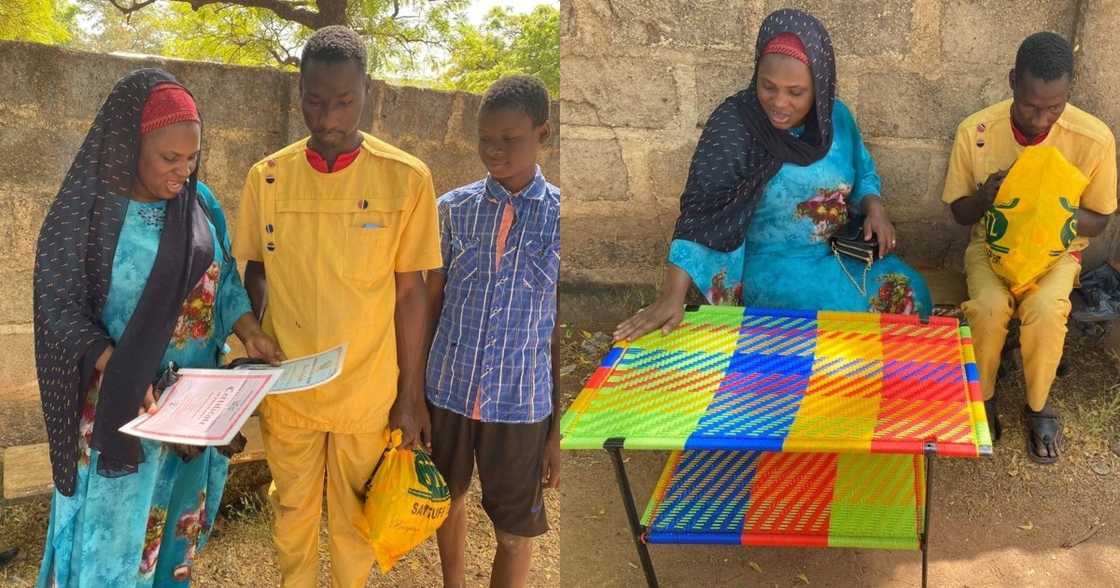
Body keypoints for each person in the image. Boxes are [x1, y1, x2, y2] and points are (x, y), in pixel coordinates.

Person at [32, 69, 281, 587]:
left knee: (170, 545)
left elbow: (224, 278)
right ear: (130, 145)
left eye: (191, 158)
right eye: (170, 159)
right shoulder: (91, 213)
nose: (182, 172)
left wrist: (250, 331)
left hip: (192, 412)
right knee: (113, 554)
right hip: (124, 411)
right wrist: (120, 367)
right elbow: (59, 309)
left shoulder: (200, 204)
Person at [232, 26, 441, 587]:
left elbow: (411, 292)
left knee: (354, 520)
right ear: (298, 91)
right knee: (293, 513)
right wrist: (252, 346)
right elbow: (254, 270)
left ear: (368, 91)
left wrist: (411, 395)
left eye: (344, 102)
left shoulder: (406, 179)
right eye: (315, 101)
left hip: (366, 391)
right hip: (289, 386)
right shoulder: (268, 177)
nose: (327, 118)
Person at [615, 8, 931, 343]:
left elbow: (863, 169)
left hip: (836, 253)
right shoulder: (736, 126)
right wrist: (671, 296)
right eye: (768, 87)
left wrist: (875, 209)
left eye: (796, 92)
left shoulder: (835, 119)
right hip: (771, 269)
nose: (780, 103)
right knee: (843, 328)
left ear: (820, 86)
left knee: (912, 294)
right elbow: (702, 212)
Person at [941, 32, 1116, 464]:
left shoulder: (1093, 139)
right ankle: (984, 397)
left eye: (1054, 108)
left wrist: (1051, 208)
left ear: (1068, 94)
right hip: (992, 249)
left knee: (1046, 310)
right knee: (987, 308)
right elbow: (961, 214)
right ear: (1011, 83)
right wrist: (987, 197)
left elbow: (1101, 217)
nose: (1040, 120)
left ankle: (1038, 405)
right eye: (1030, 105)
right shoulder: (977, 131)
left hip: (1057, 254)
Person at [425, 75, 560, 588]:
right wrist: (414, 394)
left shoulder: (559, 218)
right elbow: (431, 304)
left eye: (510, 139)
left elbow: (554, 333)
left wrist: (556, 432)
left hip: (521, 403)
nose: (494, 150)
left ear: (542, 133)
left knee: (513, 532)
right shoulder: (451, 211)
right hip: (448, 390)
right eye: (485, 138)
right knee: (446, 500)